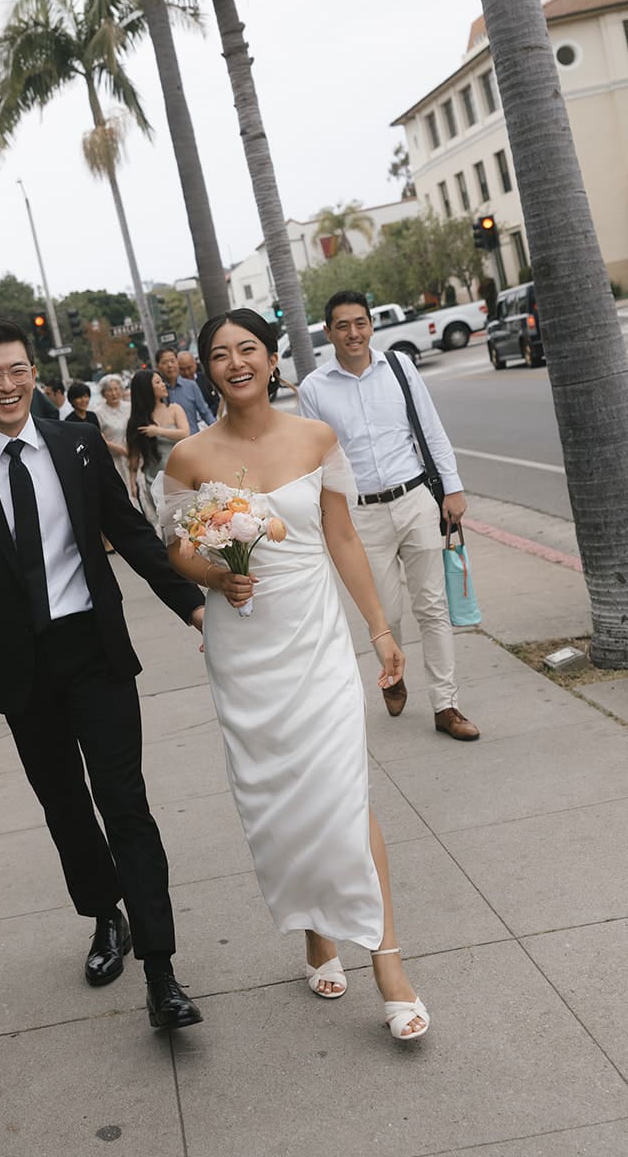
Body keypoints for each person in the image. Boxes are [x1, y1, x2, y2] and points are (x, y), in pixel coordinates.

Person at [0, 319, 207, 1032]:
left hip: (93, 651)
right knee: (65, 807)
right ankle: (105, 916)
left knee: (125, 802)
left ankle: (162, 970)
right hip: (20, 670)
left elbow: (131, 534)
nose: (7, 385)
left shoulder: (77, 446)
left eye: (17, 370)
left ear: (34, 373)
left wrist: (193, 607)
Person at [163, 308, 429, 1041]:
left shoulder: (315, 438)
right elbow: (177, 553)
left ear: (272, 359)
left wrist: (378, 629)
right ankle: (315, 932)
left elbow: (341, 537)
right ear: (205, 370)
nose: (235, 362)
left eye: (248, 348)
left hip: (314, 638)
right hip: (243, 649)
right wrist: (216, 580)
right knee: (276, 801)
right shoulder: (187, 457)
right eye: (219, 354)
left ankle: (387, 961)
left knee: (342, 790)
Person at [298, 290, 479, 743]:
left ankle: (446, 704)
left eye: (360, 323)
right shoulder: (314, 389)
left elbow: (431, 428)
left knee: (432, 606)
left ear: (371, 325)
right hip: (361, 514)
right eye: (343, 325)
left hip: (415, 498)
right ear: (328, 331)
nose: (353, 333)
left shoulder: (400, 367)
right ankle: (393, 672)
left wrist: (452, 488)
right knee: (387, 612)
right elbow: (314, 461)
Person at [126, 367, 189, 525]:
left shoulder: (174, 409)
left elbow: (185, 433)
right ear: (146, 388)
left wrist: (157, 431)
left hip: (181, 473)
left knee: (190, 519)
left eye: (162, 381)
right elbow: (133, 455)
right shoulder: (137, 420)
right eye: (158, 382)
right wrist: (132, 482)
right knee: (168, 523)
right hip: (154, 479)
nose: (163, 385)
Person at [156, 345, 215, 434]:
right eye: (164, 362)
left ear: (177, 363)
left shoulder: (191, 386)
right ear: (157, 366)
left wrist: (217, 430)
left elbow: (205, 412)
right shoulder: (156, 390)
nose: (170, 365)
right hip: (170, 444)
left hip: (193, 439)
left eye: (172, 361)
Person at [92, 374, 131, 495]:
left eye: (116, 389)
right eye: (109, 390)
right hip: (114, 459)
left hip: (132, 456)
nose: (114, 393)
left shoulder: (129, 407)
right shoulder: (98, 412)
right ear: (103, 393)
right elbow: (98, 437)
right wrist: (118, 449)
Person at [177, 348, 220, 415]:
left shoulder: (205, 379)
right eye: (182, 369)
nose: (187, 372)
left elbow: (216, 401)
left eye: (189, 368)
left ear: (195, 364)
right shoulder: (176, 386)